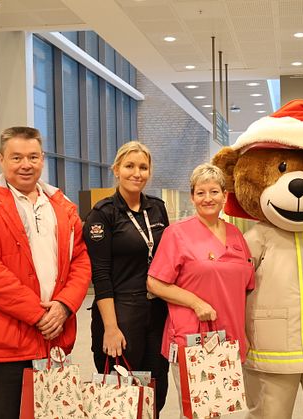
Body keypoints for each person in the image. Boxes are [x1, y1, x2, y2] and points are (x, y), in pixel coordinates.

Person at [0, 126, 91, 418]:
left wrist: (65, 306)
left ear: (42, 159)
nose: (26, 164)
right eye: (16, 157)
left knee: (54, 411)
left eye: (32, 157)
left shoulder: (62, 205)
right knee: (6, 411)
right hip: (8, 340)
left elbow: (81, 261)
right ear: (1, 159)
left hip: (54, 336)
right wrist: (38, 313)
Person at [146, 163, 254, 415]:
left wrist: (246, 332)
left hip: (229, 337)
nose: (208, 198)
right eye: (201, 192)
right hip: (192, 338)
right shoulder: (177, 234)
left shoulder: (236, 235)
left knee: (222, 408)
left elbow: (247, 287)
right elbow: (155, 282)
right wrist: (196, 303)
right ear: (192, 197)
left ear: (225, 196)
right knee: (197, 411)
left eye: (214, 191)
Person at [83, 141, 170, 414]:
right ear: (117, 170)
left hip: (157, 311)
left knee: (156, 391)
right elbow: (101, 275)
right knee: (121, 396)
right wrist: (110, 328)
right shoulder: (103, 213)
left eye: (143, 167)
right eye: (130, 166)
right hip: (121, 312)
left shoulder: (157, 208)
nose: (137, 173)